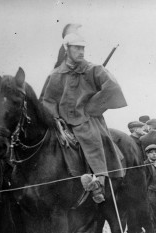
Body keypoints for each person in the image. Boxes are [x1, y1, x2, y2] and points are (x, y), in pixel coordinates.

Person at [41, 30, 127, 203]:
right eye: (77, 48)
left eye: (83, 48)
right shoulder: (56, 74)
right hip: (61, 121)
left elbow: (113, 88)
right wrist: (55, 117)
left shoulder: (94, 69)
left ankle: (99, 183)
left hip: (87, 119)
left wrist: (92, 107)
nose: (81, 52)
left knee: (92, 138)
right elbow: (48, 99)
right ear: (67, 49)